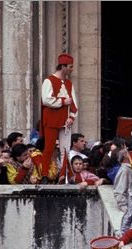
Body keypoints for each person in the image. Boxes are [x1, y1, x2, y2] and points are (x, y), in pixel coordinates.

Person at [40, 53, 78, 184]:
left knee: (65, 149)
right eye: (70, 66)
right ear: (63, 66)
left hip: (65, 120)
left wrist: (72, 117)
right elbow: (46, 100)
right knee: (49, 148)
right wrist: (63, 101)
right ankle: (44, 175)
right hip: (51, 119)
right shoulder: (48, 81)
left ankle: (63, 176)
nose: (72, 69)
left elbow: (74, 103)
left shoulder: (69, 83)